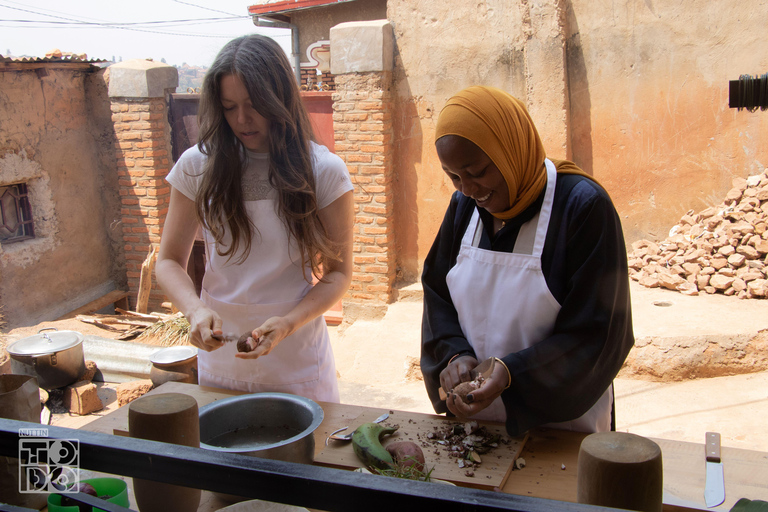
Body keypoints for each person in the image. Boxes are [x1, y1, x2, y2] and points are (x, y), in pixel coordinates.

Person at [420, 86, 634, 437]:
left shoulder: (581, 208)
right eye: (454, 177)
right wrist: (455, 355)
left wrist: (512, 374)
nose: (468, 189)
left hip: (563, 424)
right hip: (477, 426)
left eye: (478, 171)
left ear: (510, 150)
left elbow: (598, 331)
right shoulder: (464, 209)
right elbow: (438, 296)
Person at [156, 35, 354, 403]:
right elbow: (168, 261)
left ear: (280, 99)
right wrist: (195, 310)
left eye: (254, 105)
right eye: (229, 107)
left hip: (294, 355)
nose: (242, 120)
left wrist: (287, 323)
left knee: (304, 456)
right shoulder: (196, 167)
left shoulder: (324, 171)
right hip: (221, 359)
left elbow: (339, 274)